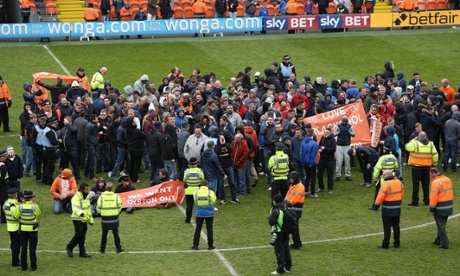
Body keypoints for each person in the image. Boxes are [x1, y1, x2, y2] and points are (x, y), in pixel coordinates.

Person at [369, 170, 404, 249]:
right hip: (397, 208)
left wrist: (376, 206)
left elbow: (380, 196)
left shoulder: (386, 184)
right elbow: (402, 194)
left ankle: (385, 244)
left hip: (387, 209)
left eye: (383, 175)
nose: (382, 176)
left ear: (387, 175)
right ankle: (397, 243)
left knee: (387, 226)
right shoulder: (399, 182)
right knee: (396, 226)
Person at [405, 131, 438, 206]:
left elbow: (407, 146)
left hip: (416, 167)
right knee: (426, 185)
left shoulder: (415, 143)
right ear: (426, 137)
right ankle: (427, 200)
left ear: (418, 137)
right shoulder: (431, 144)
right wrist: (434, 164)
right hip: (426, 167)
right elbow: (435, 155)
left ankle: (415, 201)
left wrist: (414, 139)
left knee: (415, 185)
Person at [14, 190, 41, 271]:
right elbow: (38, 214)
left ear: (24, 198)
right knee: (32, 248)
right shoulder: (34, 206)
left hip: (23, 229)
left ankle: (24, 266)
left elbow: (16, 216)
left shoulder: (20, 207)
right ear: (32, 198)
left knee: (24, 248)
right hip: (33, 230)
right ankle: (33, 266)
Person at [66, 183, 93, 258]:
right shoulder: (76, 197)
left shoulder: (86, 197)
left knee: (83, 235)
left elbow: (88, 208)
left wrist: (90, 219)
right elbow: (75, 208)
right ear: (81, 190)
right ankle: (69, 247)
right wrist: (82, 214)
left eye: (88, 189)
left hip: (84, 219)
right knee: (79, 234)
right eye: (86, 189)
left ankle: (82, 252)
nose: (87, 191)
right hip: (77, 218)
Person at [429, 168, 453, 249]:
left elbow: (434, 197)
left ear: (433, 173)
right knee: (443, 224)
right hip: (449, 205)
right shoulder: (447, 179)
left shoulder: (435, 182)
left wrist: (432, 209)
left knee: (440, 226)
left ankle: (445, 244)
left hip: (440, 206)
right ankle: (438, 240)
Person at [268, 194, 292, 275]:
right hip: (286, 232)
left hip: (278, 233)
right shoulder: (285, 208)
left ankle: (280, 269)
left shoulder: (276, 211)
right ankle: (288, 267)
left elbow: (271, 222)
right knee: (286, 250)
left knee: (279, 252)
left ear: (275, 201)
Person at [97, 182, 124, 253]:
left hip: (105, 217)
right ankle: (119, 248)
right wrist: (117, 211)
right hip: (114, 217)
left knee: (104, 233)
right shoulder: (116, 196)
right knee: (115, 233)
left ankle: (102, 249)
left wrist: (101, 212)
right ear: (112, 188)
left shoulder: (102, 197)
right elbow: (120, 205)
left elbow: (98, 206)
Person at [191, 180, 217, 250]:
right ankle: (210, 245)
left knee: (198, 229)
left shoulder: (196, 192)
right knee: (209, 229)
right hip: (209, 213)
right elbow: (213, 201)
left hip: (199, 213)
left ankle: (195, 245)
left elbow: (195, 200)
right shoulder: (210, 192)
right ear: (207, 185)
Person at [285, 171, 305, 249]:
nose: (290, 180)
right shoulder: (293, 185)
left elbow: (296, 198)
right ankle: (297, 242)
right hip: (292, 208)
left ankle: (296, 243)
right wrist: (285, 202)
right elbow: (288, 195)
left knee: (294, 227)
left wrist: (288, 203)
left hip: (295, 208)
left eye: (292, 179)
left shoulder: (300, 186)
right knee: (294, 227)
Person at [3, 187, 20, 267]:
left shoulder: (6, 203)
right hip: (16, 226)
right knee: (16, 245)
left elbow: (4, 210)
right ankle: (15, 261)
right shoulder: (14, 204)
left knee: (13, 243)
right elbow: (15, 215)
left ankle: (15, 259)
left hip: (9, 225)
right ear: (15, 195)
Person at [334, 115, 355, 181]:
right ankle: (337, 175)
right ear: (342, 121)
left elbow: (353, 134)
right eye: (344, 121)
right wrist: (338, 132)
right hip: (339, 145)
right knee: (339, 161)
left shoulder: (350, 126)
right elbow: (334, 134)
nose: (345, 122)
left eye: (346, 121)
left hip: (347, 145)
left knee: (347, 160)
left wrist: (349, 132)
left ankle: (348, 175)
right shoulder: (338, 126)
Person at [184, 157, 204, 223]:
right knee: (198, 205)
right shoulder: (200, 171)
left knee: (189, 206)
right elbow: (202, 179)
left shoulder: (187, 171)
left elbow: (184, 179)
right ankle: (199, 219)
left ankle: (188, 219)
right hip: (197, 190)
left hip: (189, 190)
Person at [317, 128, 337, 194]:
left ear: (330, 132)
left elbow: (333, 150)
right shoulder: (322, 138)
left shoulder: (333, 140)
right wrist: (320, 149)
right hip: (322, 159)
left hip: (330, 160)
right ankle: (321, 186)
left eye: (326, 132)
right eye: (324, 132)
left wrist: (325, 149)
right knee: (319, 173)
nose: (325, 133)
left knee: (330, 175)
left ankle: (330, 188)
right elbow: (319, 145)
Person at [300, 128, 319, 198]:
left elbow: (301, 153)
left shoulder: (303, 142)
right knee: (313, 178)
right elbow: (313, 154)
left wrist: (303, 161)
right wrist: (311, 163)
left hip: (304, 162)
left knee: (307, 177)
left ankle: (306, 191)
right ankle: (313, 193)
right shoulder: (314, 144)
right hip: (311, 163)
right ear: (313, 134)